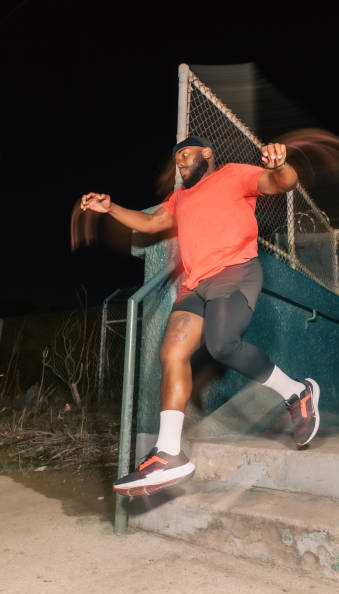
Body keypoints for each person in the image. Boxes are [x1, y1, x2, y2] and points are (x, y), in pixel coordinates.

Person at [81, 136, 320, 496]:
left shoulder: (233, 175)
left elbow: (279, 183)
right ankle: (168, 453)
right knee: (172, 353)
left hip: (235, 270)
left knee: (222, 345)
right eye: (177, 159)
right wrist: (110, 207)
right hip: (194, 286)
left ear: (207, 153)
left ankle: (297, 393)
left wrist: (280, 165)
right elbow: (149, 224)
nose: (180, 163)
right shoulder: (180, 198)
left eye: (186, 155)